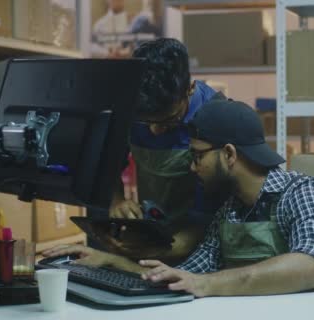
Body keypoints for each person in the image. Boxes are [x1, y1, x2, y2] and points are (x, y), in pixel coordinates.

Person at [43, 99, 314, 296]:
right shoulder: (229, 211)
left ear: (228, 154)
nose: (191, 167)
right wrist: (110, 261)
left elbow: (308, 268)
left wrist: (210, 283)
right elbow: (188, 275)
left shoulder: (305, 193)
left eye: (197, 156)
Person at [89, 38, 225, 265]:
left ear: (190, 89)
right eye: (145, 121)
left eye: (169, 121)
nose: (155, 130)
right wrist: (116, 199)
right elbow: (109, 157)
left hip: (198, 242)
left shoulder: (214, 120)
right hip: (153, 230)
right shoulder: (128, 102)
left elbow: (204, 221)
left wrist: (144, 254)